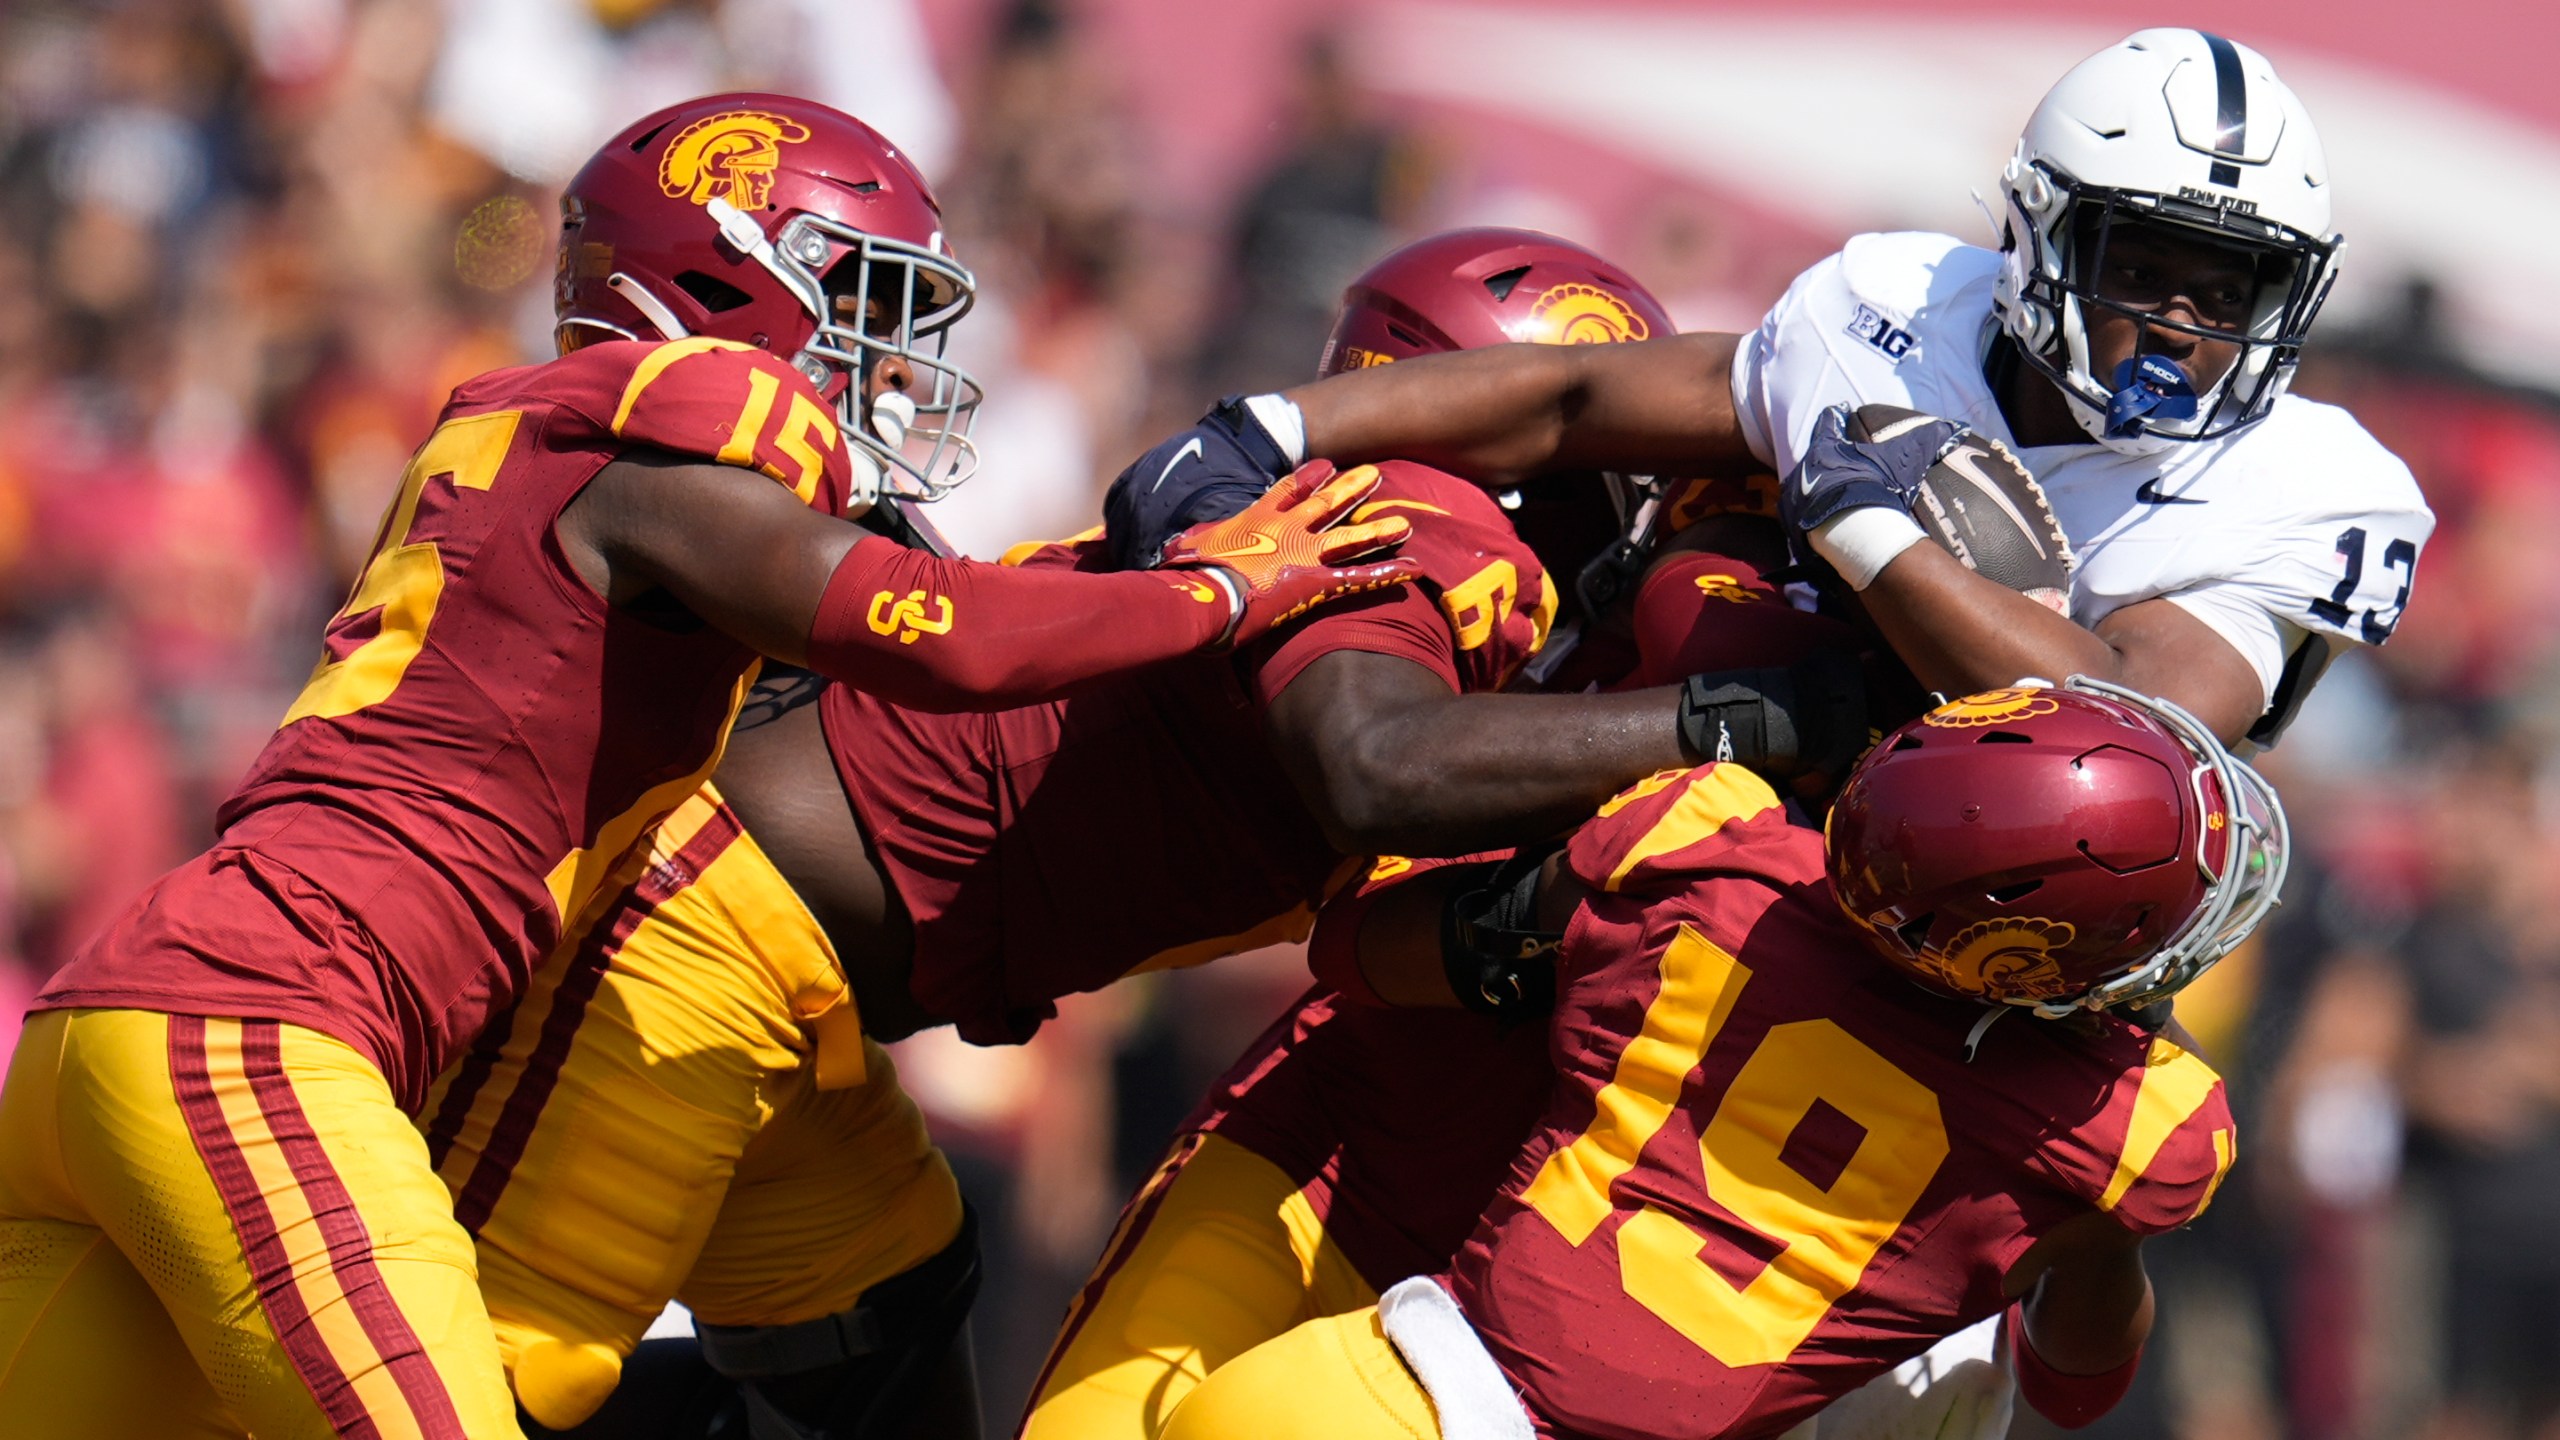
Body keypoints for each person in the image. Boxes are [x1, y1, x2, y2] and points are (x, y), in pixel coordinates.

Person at [0, 93, 1422, 1440]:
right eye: (863, 304)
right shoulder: (659, 450)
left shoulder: (549, 451)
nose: (890, 359)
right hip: (260, 1034)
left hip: (116, 1031)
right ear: (728, 281)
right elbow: (942, 638)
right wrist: (1222, 591)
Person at [418, 231, 1728, 1439]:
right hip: (703, 949)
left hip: (797, 973)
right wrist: (1755, 720)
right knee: (461, 1387)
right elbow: (1375, 767)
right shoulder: (1419, 525)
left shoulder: (1377, 539)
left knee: (880, 1335)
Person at [1018, 230, 1893, 1440]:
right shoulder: (1443, 594)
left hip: (1515, 1258)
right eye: (1604, 467)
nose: (1641, 520)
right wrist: (1718, 745)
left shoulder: (1649, 634)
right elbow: (1370, 895)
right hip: (1351, 1159)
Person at [1108, 29, 2436, 754]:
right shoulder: (1896, 309)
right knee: (1711, 588)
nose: (2183, 324)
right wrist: (1276, 424)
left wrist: (1874, 538)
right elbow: (1577, 400)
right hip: (1724, 836)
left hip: (1990, 950)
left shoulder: (2308, 486)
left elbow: (2120, 729)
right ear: (2038, 239)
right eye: (2145, 269)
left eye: (2230, 292)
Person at [1156, 677, 2282, 1440]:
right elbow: (2075, 1384)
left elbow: (1362, 954)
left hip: (1338, 1382)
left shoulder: (1706, 849)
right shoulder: (2126, 1132)